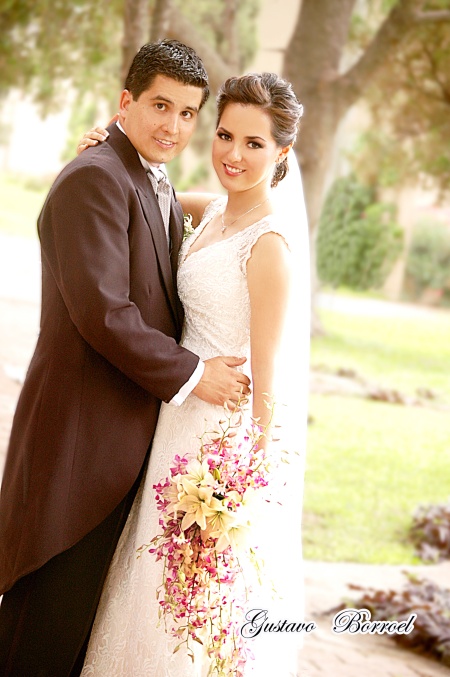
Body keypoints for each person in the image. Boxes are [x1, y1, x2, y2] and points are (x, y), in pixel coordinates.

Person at [0, 40, 251, 677]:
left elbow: (179, 232)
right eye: (160, 105)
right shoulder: (97, 178)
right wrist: (197, 377)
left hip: (119, 443)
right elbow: (105, 314)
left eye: (189, 113)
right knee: (41, 627)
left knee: (70, 625)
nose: (173, 125)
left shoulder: (142, 175)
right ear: (125, 102)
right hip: (79, 445)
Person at [77, 71, 310, 676]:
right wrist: (106, 148)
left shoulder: (269, 246)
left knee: (186, 603)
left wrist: (240, 489)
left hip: (212, 451)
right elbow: (145, 191)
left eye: (254, 144)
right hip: (173, 419)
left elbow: (269, 385)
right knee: (145, 584)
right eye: (226, 135)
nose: (233, 154)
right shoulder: (213, 214)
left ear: (282, 153)